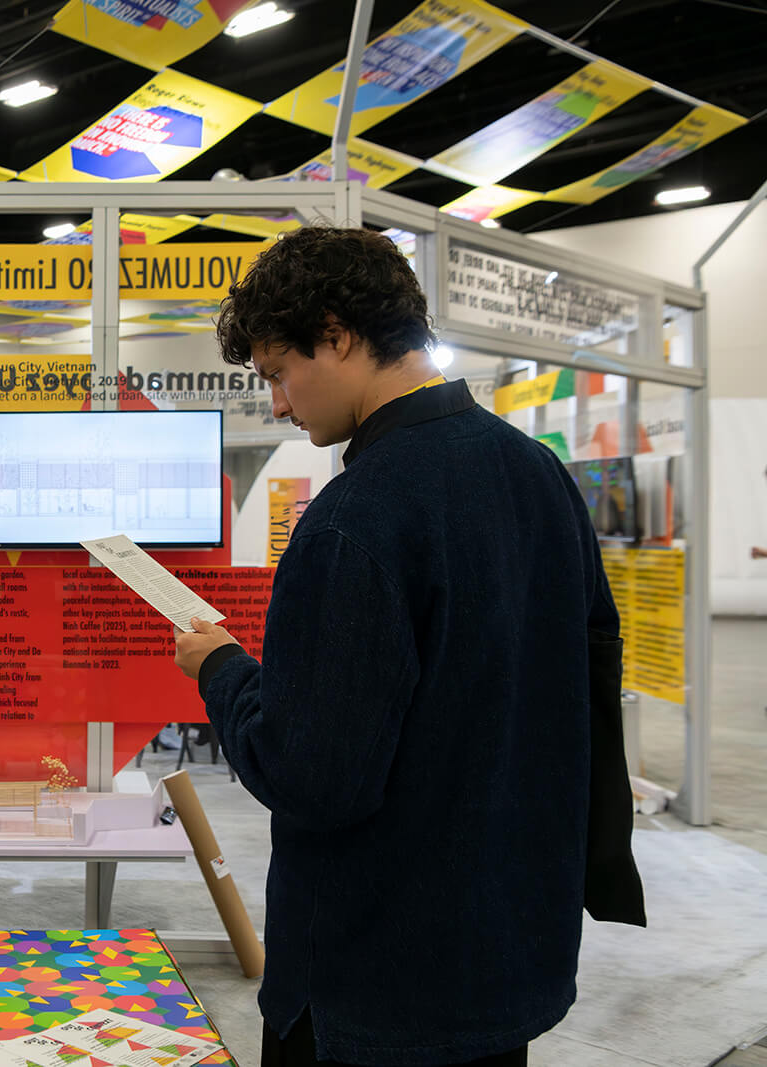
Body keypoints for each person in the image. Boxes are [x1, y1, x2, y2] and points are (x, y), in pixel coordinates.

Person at [170, 227, 641, 1067]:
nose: (277, 405)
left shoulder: (355, 519)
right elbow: (585, 699)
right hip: (507, 956)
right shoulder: (540, 475)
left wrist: (223, 670)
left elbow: (312, 777)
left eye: (278, 372)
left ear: (337, 335)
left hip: (371, 989)